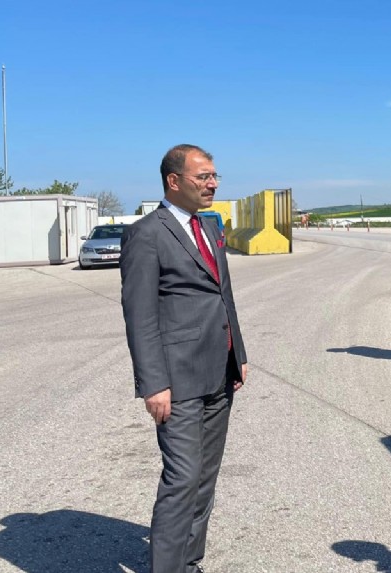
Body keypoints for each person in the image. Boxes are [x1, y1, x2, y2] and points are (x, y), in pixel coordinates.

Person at [121, 144, 249, 573]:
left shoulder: (209, 229)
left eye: (214, 176)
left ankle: (190, 563)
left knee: (204, 480)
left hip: (218, 373)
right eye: (203, 176)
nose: (212, 183)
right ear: (174, 181)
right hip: (176, 381)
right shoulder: (147, 233)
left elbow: (223, 296)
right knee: (182, 479)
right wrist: (153, 383)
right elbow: (140, 316)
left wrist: (239, 355)